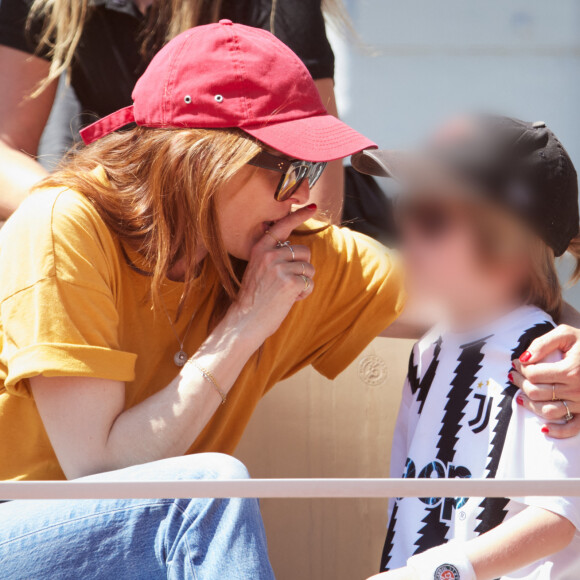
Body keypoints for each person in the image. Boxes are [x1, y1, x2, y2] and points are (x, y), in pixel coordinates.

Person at [0, 20, 392, 577]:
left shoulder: (268, 243)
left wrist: (563, 344)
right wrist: (244, 326)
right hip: (18, 527)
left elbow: (465, 288)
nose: (306, 195)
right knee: (208, 488)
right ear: (205, 160)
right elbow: (98, 472)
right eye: (289, 168)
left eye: (311, 168)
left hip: (135, 546)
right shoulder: (64, 223)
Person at [354, 115, 580, 580]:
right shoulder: (430, 350)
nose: (407, 232)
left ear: (505, 247)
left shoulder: (546, 357)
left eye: (433, 220)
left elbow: (559, 514)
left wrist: (441, 571)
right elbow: (409, 495)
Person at [0, 0, 344, 221]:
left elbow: (314, 186)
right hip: (120, 201)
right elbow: (5, 147)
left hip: (250, 217)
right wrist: (77, 211)